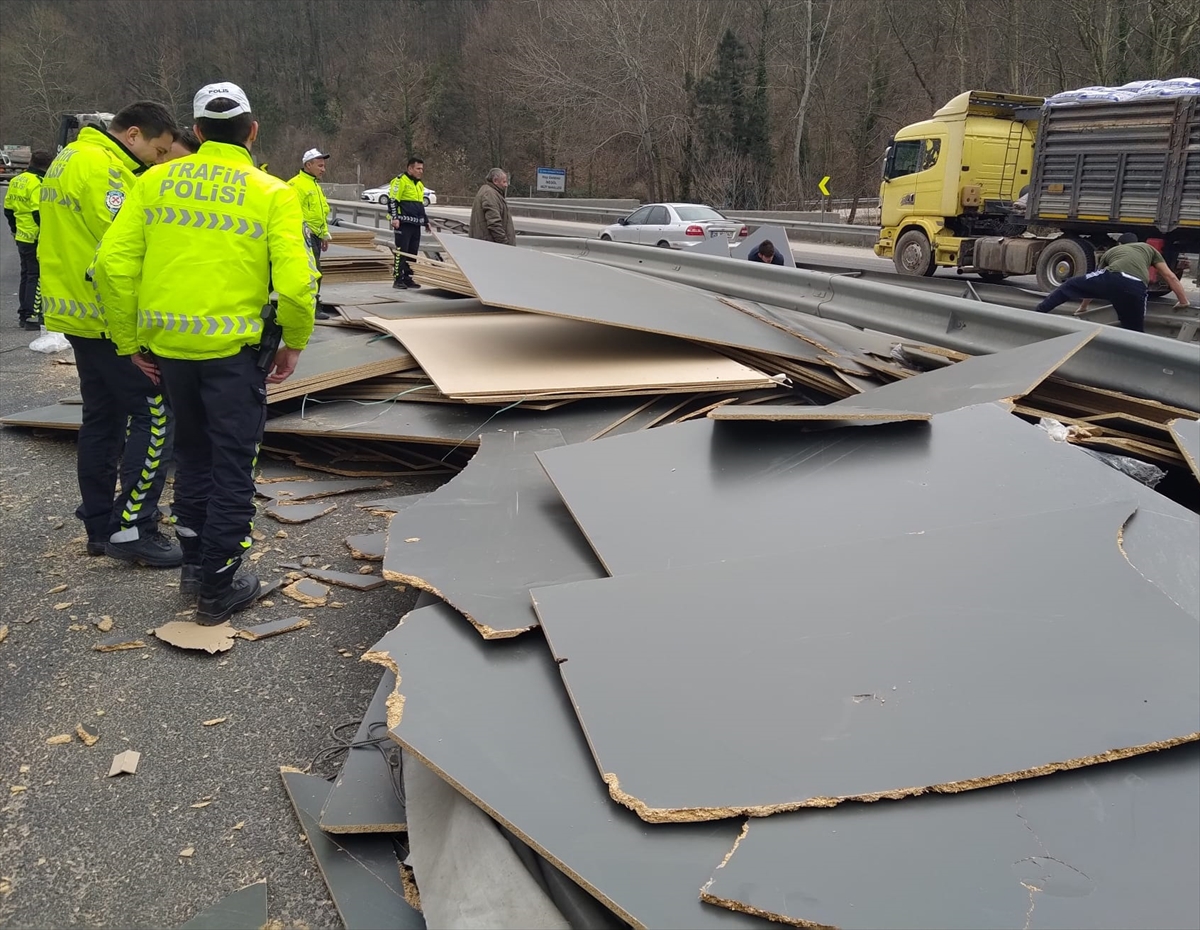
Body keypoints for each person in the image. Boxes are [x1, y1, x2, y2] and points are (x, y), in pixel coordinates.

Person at [95, 82, 317, 623]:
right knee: (233, 464)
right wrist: (293, 341)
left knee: (191, 457)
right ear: (253, 129)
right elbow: (294, 284)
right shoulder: (272, 192)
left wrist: (129, 343)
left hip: (170, 353)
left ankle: (195, 566)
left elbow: (110, 267)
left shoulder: (153, 182)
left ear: (194, 131)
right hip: (232, 358)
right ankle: (218, 587)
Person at [37, 101, 182, 567]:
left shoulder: (69, 159)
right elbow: (123, 256)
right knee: (155, 416)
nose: (158, 161)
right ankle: (134, 527)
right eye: (158, 151)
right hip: (108, 318)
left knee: (102, 419)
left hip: (78, 316)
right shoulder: (105, 172)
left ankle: (101, 524)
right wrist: (138, 333)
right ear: (133, 134)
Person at [1036, 233, 1191, 331]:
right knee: (1134, 329)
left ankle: (1039, 313)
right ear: (1136, 242)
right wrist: (1183, 301)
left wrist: (1083, 307)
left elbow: (1094, 281)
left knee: (1070, 285)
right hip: (1135, 287)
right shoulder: (1148, 248)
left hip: (1112, 278)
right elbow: (1170, 276)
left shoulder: (1112, 251)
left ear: (1120, 245)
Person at [4, 150, 53, 329]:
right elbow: (38, 213)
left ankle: (24, 313)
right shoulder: (39, 183)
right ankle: (32, 315)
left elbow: (8, 210)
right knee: (36, 276)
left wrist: (15, 230)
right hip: (35, 236)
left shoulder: (17, 180)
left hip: (22, 235)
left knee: (26, 275)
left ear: (31, 161)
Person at [288, 149, 332, 318]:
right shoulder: (296, 185)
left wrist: (324, 234)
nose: (323, 169)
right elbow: (294, 213)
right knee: (312, 272)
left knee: (315, 271)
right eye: (320, 166)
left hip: (314, 235)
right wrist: (304, 234)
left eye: (324, 166)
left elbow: (320, 213)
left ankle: (312, 304)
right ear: (308, 165)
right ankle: (310, 306)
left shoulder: (314, 185)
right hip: (304, 236)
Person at [388, 156, 430, 288]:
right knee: (402, 251)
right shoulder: (400, 181)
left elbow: (419, 206)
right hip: (403, 223)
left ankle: (408, 277)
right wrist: (394, 217)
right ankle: (398, 278)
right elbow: (393, 200)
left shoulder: (419, 185)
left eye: (422, 169)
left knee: (413, 252)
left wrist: (426, 221)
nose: (420, 171)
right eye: (418, 168)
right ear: (410, 168)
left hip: (415, 223)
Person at [469, 168, 515, 246]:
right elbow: (494, 223)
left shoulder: (489, 192)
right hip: (490, 246)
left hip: (485, 244)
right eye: (504, 182)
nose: (506, 185)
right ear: (495, 181)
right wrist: (505, 244)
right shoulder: (490, 194)